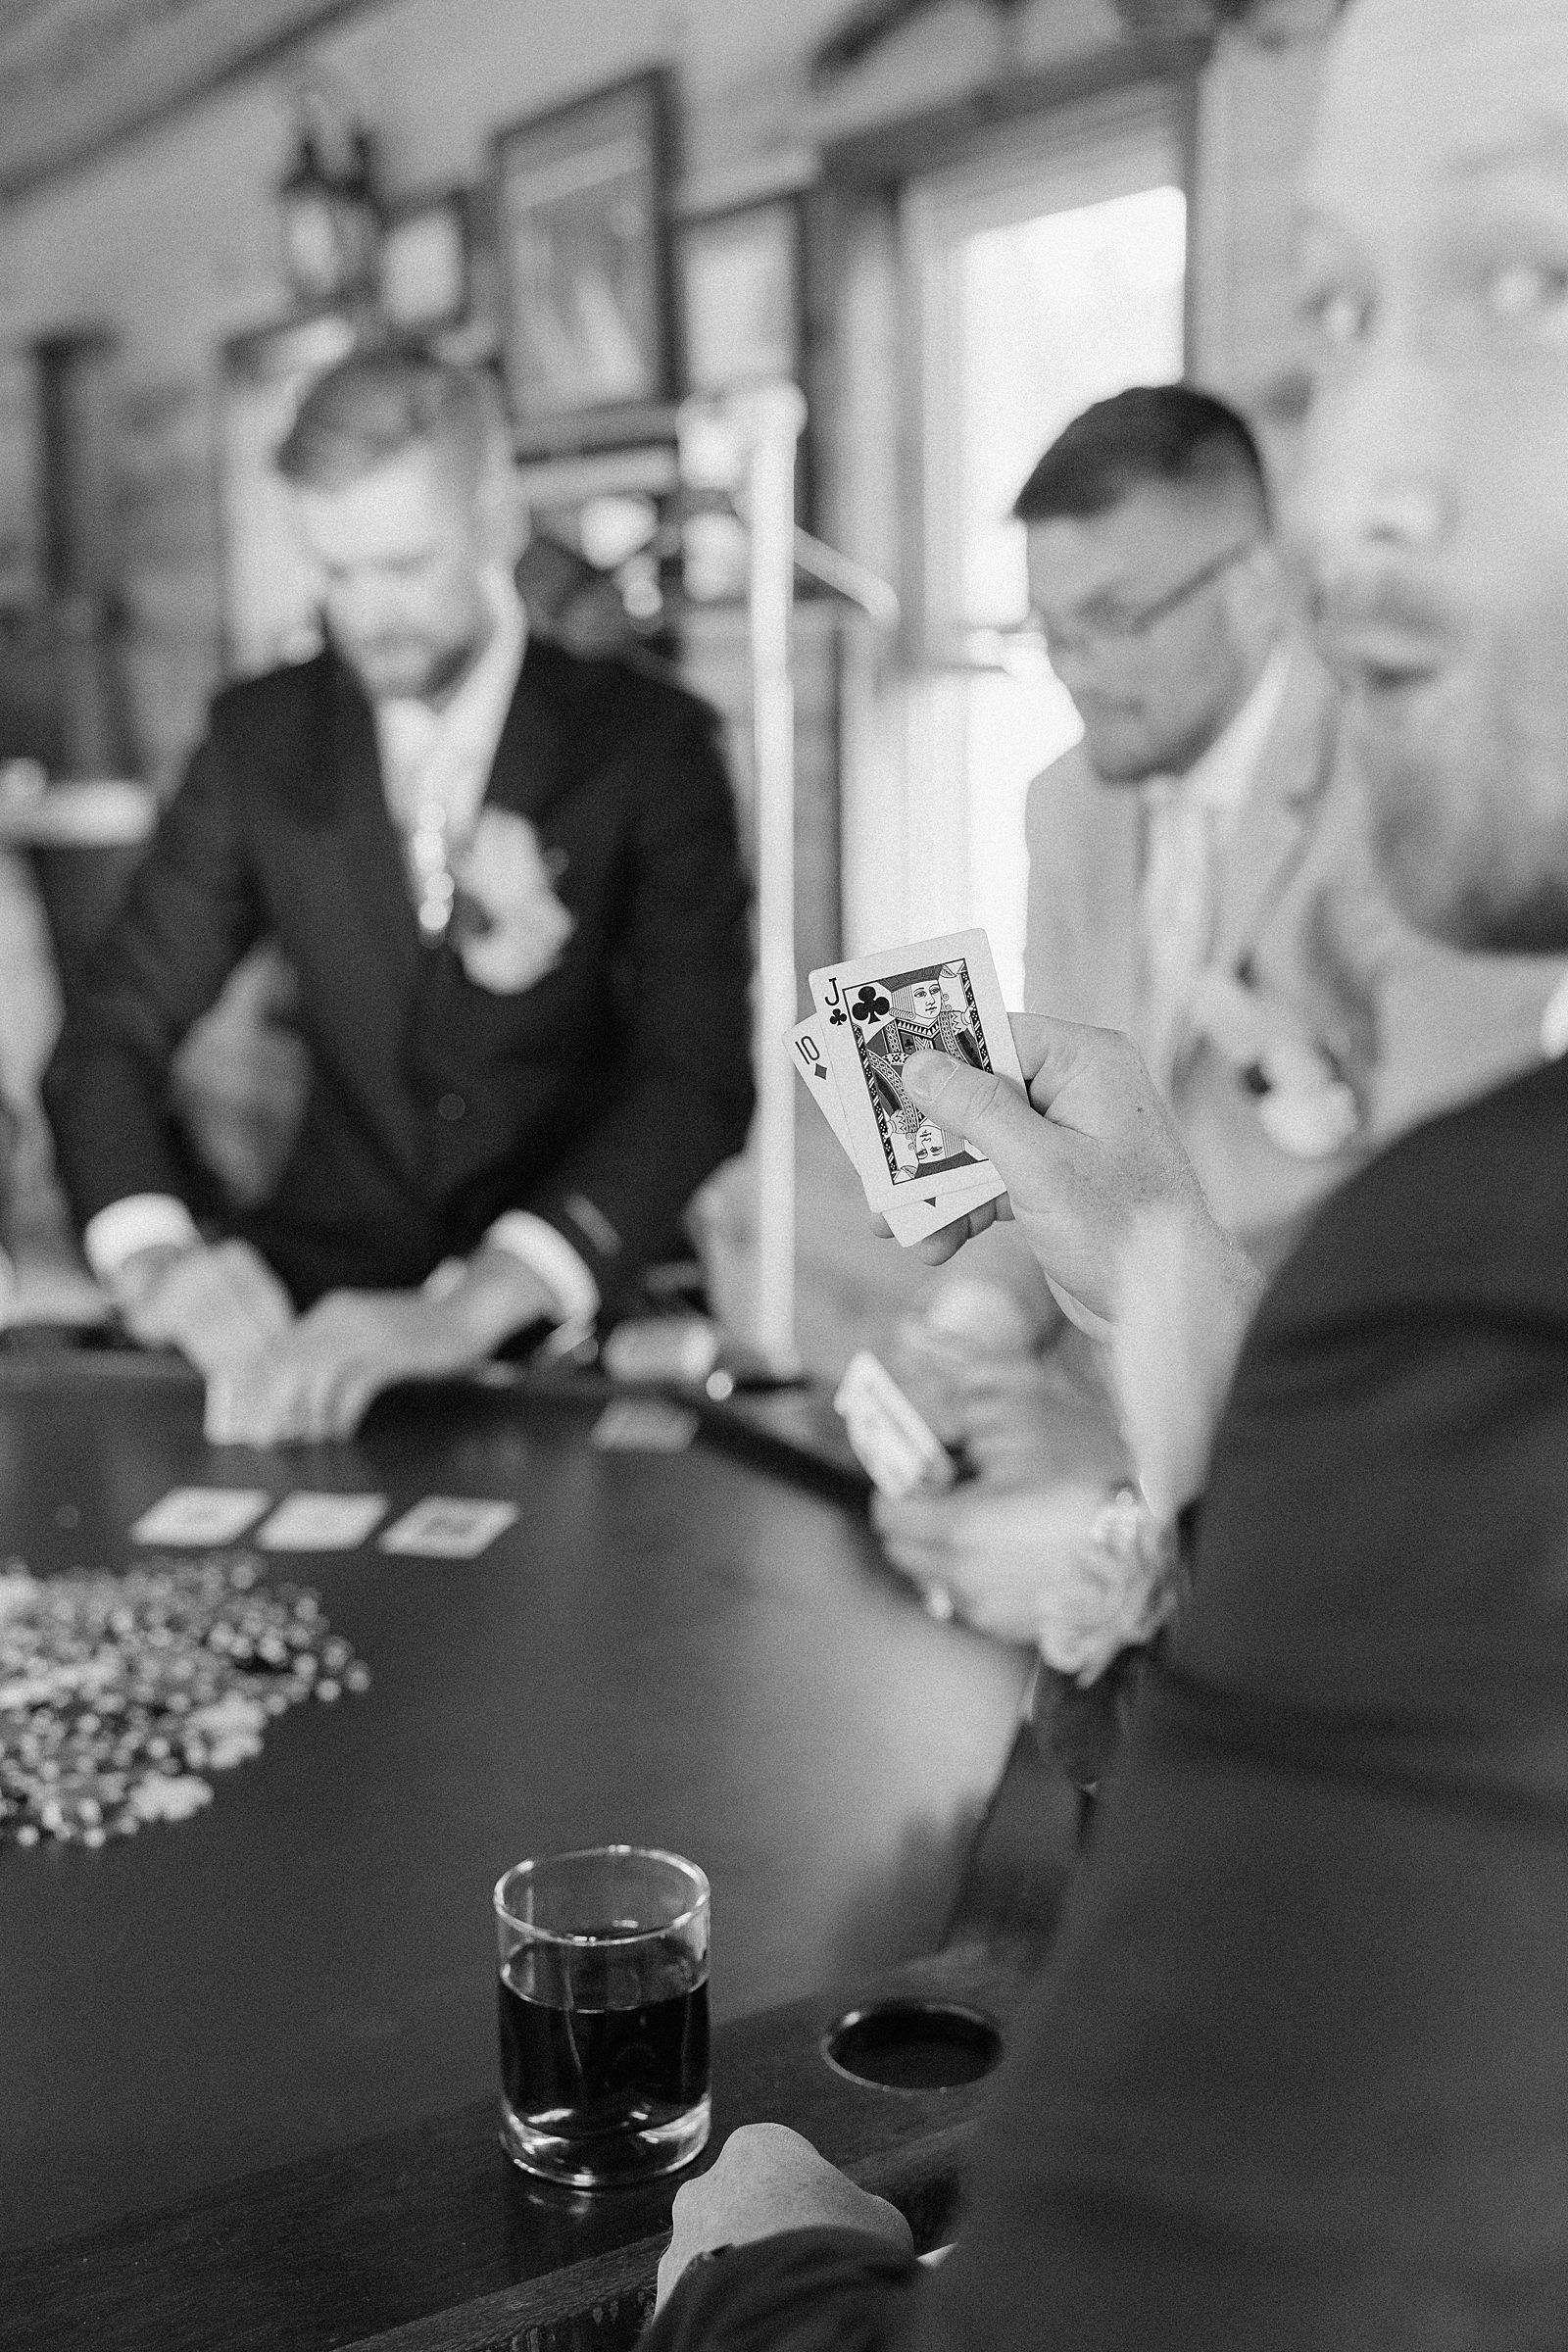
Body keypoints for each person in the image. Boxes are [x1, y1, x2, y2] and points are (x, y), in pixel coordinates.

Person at [646, 0, 1568, 2338]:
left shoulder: (1441, 825)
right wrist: (1034, 1321)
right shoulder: (1073, 805)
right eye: (1339, 314)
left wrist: (755, 2280)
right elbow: (1107, 1150)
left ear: (1243, 575)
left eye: (1526, 286)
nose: (1375, 460)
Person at [875, 384, 1564, 1681]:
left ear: (1252, 586)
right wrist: (963, 1335)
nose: (1076, 672)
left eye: (1117, 623)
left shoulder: (1413, 806)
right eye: (1051, 632)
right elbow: (1069, 1153)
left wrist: (1148, 1460)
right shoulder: (1067, 804)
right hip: (1095, 1422)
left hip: (1334, 1461)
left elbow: (1444, 1270)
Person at [41, 345, 754, 1445]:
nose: (364, 617)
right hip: (317, 1293)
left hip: (576, 1305)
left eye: (404, 565)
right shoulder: (257, 740)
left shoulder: (651, 748)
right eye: (333, 572)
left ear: (495, 519)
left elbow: (695, 1079)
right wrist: (157, 1257)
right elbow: (111, 1034)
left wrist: (473, 1308)